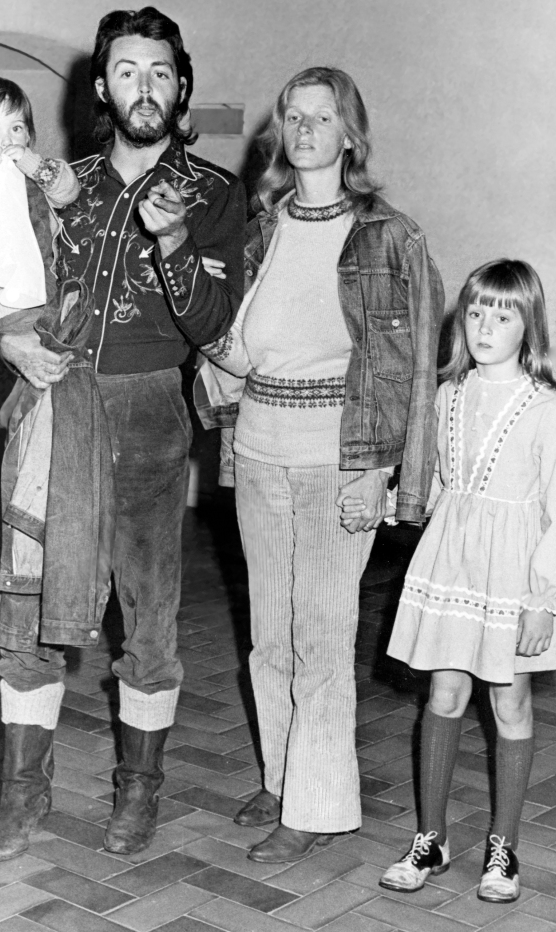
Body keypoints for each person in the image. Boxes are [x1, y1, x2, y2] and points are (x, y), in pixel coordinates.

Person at [0, 7, 246, 862]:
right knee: (25, 605)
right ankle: (22, 793)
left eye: (162, 72)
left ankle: (139, 791)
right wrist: (6, 338)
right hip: (54, 408)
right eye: (128, 70)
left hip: (147, 417)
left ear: (182, 86)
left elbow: (213, 324)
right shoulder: (60, 177)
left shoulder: (212, 193)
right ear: (103, 86)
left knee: (150, 616)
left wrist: (172, 238)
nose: (146, 86)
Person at [198, 66, 444, 863]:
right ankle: (280, 777)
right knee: (269, 634)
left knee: (323, 637)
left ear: (350, 135)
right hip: (261, 453)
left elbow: (412, 364)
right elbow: (231, 341)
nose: (305, 129)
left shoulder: (387, 235)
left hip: (340, 459)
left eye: (323, 116)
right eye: (294, 116)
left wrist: (382, 469)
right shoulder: (260, 227)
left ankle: (317, 803)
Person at [380, 259, 556, 903]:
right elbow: (441, 485)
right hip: (452, 564)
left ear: (530, 325)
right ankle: (429, 839)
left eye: (505, 312)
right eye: (477, 311)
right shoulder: (448, 395)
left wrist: (544, 599)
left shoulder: (546, 408)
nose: (487, 324)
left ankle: (503, 848)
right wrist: (395, 502)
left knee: (509, 701)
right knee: (443, 695)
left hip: (515, 576)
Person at [0, 76, 80, 332]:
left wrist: (31, 162)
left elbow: (68, 192)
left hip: (44, 283)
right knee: (43, 345)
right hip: (2, 293)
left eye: (16, 128)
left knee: (70, 341)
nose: (6, 139)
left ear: (29, 135)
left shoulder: (35, 169)